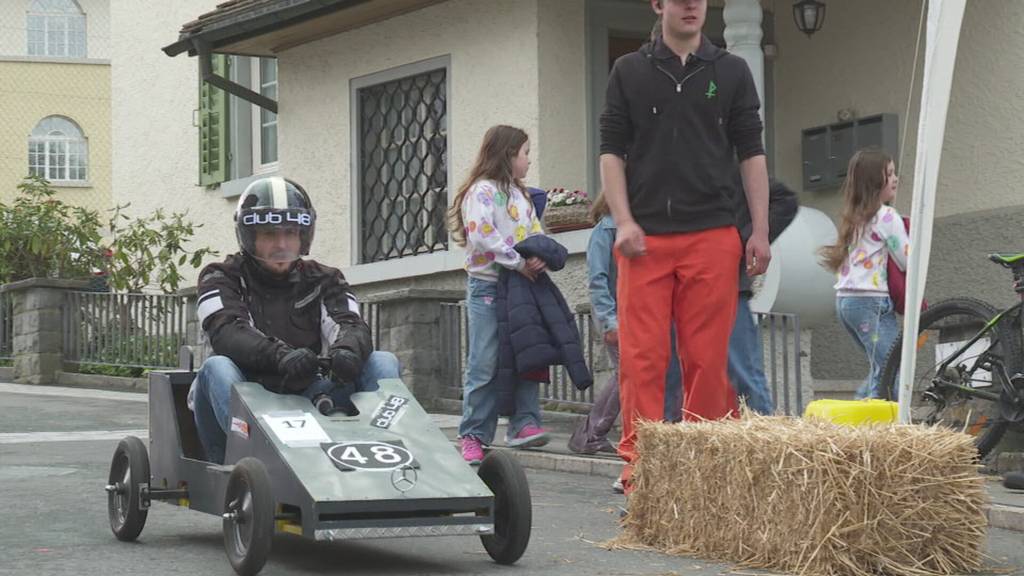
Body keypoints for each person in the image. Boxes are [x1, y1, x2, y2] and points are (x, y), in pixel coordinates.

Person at [599, 0, 771, 491]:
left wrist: (758, 229)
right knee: (643, 360)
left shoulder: (732, 71)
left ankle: (703, 470)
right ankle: (641, 467)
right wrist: (624, 221)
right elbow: (611, 152)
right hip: (644, 240)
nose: (692, 4)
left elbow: (752, 153)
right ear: (658, 4)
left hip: (714, 236)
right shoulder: (627, 71)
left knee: (708, 359)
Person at [189, 176, 400, 464]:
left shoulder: (327, 278)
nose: (281, 244)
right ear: (250, 237)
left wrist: (347, 352)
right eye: (269, 234)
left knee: (382, 360)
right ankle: (261, 460)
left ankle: (390, 452)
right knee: (217, 366)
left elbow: (351, 324)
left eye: (290, 233)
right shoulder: (219, 277)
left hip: (310, 394)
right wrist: (282, 357)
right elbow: (226, 331)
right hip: (245, 409)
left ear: (303, 235)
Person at [446, 125, 551, 465]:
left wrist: (539, 254)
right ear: (508, 155)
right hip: (489, 286)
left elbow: (535, 231)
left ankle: (523, 423)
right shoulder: (482, 191)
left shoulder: (522, 196)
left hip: (520, 285)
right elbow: (481, 235)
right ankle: (474, 434)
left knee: (527, 352)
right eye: (525, 153)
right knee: (485, 361)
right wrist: (518, 261)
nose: (529, 160)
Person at [568, 192, 683, 462]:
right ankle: (590, 434)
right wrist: (609, 321)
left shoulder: (630, 230)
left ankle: (596, 434)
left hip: (636, 315)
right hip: (618, 317)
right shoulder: (604, 232)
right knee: (627, 372)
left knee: (634, 372)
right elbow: (598, 280)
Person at [819, 148, 908, 399]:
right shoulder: (887, 215)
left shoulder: (854, 217)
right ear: (874, 181)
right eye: (889, 174)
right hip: (870, 301)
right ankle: (885, 420)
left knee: (881, 364)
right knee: (894, 365)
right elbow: (905, 259)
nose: (895, 178)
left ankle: (866, 415)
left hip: (847, 303)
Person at [729, 178, 800, 414]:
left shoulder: (726, 164)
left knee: (744, 373)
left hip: (728, 287)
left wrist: (744, 240)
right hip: (685, 285)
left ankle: (762, 431)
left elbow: (784, 200)